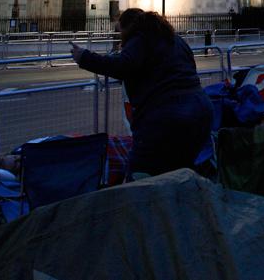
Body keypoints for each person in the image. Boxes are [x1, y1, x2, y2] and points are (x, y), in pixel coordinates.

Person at [71, 9, 213, 177]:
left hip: (166, 117)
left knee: (140, 175)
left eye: (119, 30)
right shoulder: (175, 40)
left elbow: (123, 65)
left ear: (129, 27)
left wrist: (84, 57)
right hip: (200, 111)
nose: (119, 37)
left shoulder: (141, 38)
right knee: (180, 173)